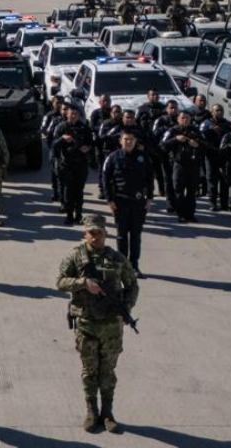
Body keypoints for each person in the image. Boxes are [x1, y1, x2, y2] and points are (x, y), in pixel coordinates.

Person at [57, 214, 138, 433]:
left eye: (99, 233)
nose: (95, 237)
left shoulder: (118, 259)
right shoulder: (75, 257)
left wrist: (126, 309)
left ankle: (108, 413)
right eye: (91, 233)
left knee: (108, 371)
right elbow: (60, 282)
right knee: (89, 370)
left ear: (106, 234)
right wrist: (83, 283)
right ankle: (91, 411)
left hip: (112, 325)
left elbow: (132, 285)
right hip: (86, 323)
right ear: (85, 234)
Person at [102, 130, 153, 275]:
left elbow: (150, 177)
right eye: (125, 139)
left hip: (138, 202)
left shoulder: (143, 157)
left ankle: (134, 266)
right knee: (122, 235)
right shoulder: (113, 157)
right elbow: (105, 177)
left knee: (136, 235)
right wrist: (109, 200)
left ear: (135, 141)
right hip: (120, 201)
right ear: (120, 141)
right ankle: (122, 265)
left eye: (131, 139)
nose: (128, 142)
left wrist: (149, 198)